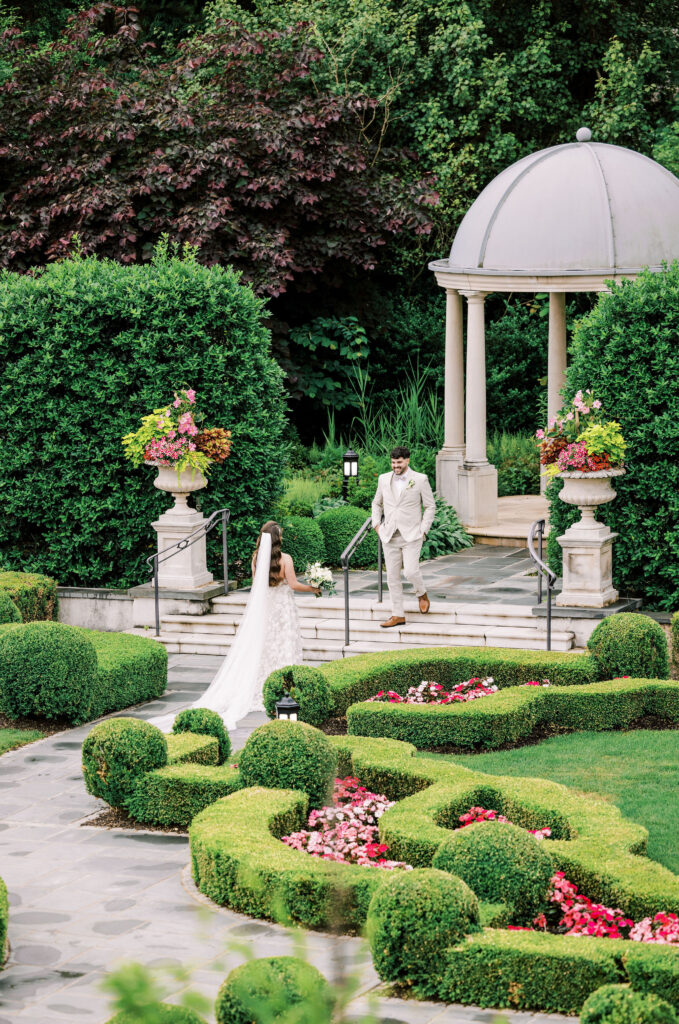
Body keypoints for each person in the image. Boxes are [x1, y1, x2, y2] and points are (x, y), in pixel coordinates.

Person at [151, 521, 319, 731]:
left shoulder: (257, 558)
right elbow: (294, 585)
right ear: (278, 538)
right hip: (283, 610)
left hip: (265, 609)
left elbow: (258, 586)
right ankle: (285, 690)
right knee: (283, 644)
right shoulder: (286, 559)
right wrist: (313, 588)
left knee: (264, 647)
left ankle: (263, 686)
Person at [371, 446, 436, 628]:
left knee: (410, 571)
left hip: (412, 534)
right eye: (393, 462)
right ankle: (397, 614)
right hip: (389, 534)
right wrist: (377, 524)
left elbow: (430, 506)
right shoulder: (383, 479)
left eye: (399, 462)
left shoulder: (420, 480)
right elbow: (376, 503)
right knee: (392, 577)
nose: (395, 466)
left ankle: (421, 593)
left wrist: (424, 529)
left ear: (407, 460)